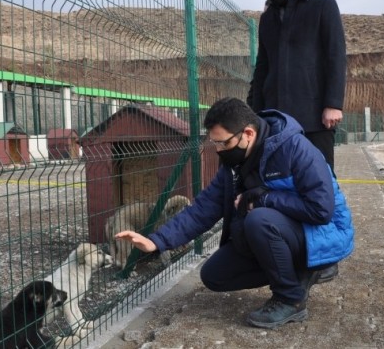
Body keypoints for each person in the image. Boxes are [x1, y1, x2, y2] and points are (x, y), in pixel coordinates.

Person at [115, 97, 354, 329]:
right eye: (215, 143)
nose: (219, 150)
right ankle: (301, 271)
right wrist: (156, 241)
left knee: (259, 219)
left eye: (223, 143)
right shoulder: (234, 164)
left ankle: (290, 298)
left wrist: (263, 198)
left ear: (248, 134)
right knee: (214, 276)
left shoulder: (295, 149)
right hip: (282, 231)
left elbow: (321, 210)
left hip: (323, 232)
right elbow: (203, 208)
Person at [248, 0, 347, 283]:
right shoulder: (268, 19)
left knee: (322, 189)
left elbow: (336, 58)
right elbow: (263, 67)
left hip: (314, 117)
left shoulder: (323, 5)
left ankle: (328, 257)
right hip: (276, 120)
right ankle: (297, 252)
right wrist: (254, 112)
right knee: (284, 189)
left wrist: (333, 103)